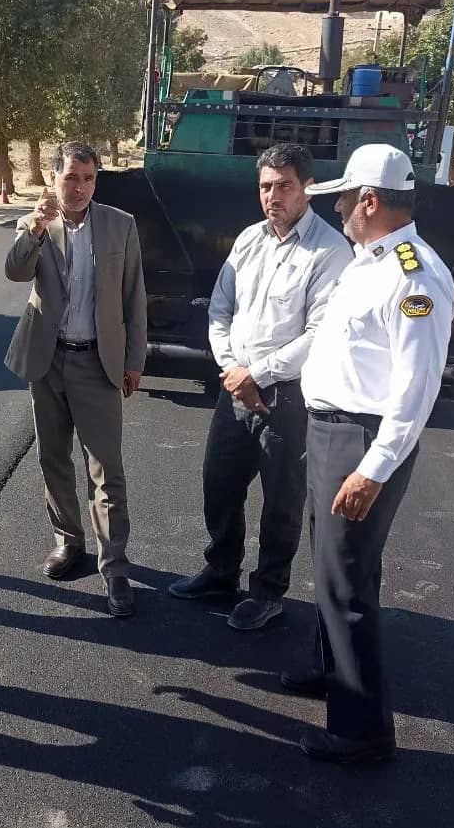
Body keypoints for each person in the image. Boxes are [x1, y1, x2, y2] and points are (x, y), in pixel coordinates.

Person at [283, 143, 454, 764]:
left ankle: (362, 732)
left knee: (349, 580)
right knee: (331, 565)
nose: (339, 210)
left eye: (345, 199)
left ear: (371, 201)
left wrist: (372, 470)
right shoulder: (369, 261)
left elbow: (415, 391)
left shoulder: (413, 275)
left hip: (361, 440)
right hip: (332, 431)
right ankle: (330, 670)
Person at [168, 144, 352, 630]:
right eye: (266, 186)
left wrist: (259, 375)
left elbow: (319, 333)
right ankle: (220, 571)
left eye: (285, 186)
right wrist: (234, 370)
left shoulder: (330, 251)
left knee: (281, 499)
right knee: (219, 483)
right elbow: (220, 309)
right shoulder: (249, 239)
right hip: (235, 389)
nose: (274, 196)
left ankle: (268, 592)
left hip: (289, 397)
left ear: (307, 188)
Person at [4, 141, 146, 617]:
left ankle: (115, 566)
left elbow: (134, 296)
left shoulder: (120, 225)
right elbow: (15, 270)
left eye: (88, 178)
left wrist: (134, 359)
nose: (80, 187)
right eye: (71, 177)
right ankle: (68, 540)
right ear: (54, 178)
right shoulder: (35, 223)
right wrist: (35, 228)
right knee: (53, 457)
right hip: (48, 360)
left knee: (107, 469)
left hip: (97, 363)